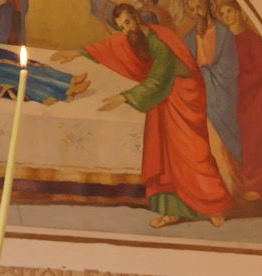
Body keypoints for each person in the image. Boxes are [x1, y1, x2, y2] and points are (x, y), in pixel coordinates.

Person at [57, 4, 233, 229]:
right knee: (165, 155)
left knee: (194, 153)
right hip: (164, 99)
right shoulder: (136, 38)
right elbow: (112, 46)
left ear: (137, 18)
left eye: (127, 23)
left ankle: (214, 207)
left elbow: (159, 78)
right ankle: (170, 212)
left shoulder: (160, 40)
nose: (126, 30)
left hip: (184, 97)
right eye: (121, 27)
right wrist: (79, 52)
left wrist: (125, 97)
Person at [214, 0, 262, 202]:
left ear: (239, 12)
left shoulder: (251, 38)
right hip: (232, 101)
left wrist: (238, 83)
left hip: (253, 100)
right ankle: (238, 186)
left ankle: (257, 186)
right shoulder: (223, 41)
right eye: (223, 13)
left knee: (254, 142)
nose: (227, 16)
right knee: (233, 142)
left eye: (229, 11)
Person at [181, 0, 241, 197]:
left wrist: (202, 74)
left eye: (199, 7)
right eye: (192, 9)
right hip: (197, 99)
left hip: (219, 98)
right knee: (200, 150)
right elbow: (185, 68)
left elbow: (229, 70)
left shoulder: (224, 35)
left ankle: (228, 192)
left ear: (208, 5)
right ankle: (209, 195)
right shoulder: (189, 37)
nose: (196, 12)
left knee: (219, 147)